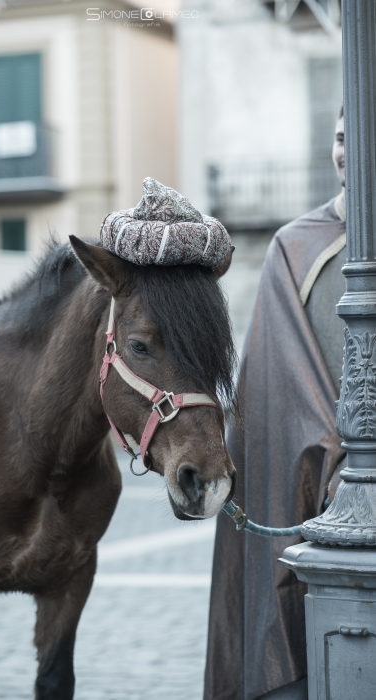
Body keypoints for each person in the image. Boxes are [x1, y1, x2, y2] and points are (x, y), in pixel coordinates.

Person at [204, 108, 346, 700]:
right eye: (339, 136)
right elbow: (274, 404)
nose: (346, 150)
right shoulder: (297, 247)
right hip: (335, 511)